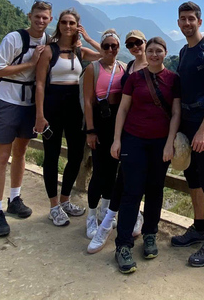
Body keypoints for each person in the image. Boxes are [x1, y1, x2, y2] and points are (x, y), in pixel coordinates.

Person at [111, 37, 181, 274]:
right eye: (150, 51)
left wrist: (170, 143)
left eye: (158, 51)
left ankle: (150, 234)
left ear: (165, 53)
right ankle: (122, 245)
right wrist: (117, 139)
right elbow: (122, 109)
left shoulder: (173, 80)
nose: (153, 54)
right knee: (131, 192)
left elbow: (175, 113)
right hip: (134, 140)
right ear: (145, 53)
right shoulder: (134, 78)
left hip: (160, 143)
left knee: (155, 190)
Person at [0, 0, 51, 237]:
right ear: (29, 16)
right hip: (7, 101)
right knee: (2, 156)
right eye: (37, 16)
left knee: (20, 153)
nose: (40, 21)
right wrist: (30, 63)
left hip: (29, 103)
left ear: (49, 20)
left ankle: (14, 198)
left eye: (45, 18)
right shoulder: (13, 39)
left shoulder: (47, 41)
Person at [170, 1, 204, 267]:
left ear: (199, 22)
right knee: (193, 177)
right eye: (183, 19)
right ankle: (199, 226)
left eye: (191, 18)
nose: (187, 23)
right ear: (178, 23)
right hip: (187, 122)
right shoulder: (183, 51)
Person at [34, 8, 102, 226]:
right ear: (59, 25)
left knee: (75, 156)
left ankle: (65, 200)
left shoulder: (79, 52)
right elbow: (40, 83)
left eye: (72, 23)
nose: (68, 26)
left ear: (77, 26)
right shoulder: (48, 51)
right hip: (52, 106)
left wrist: (88, 38)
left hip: (75, 106)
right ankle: (53, 206)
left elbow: (105, 54)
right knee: (52, 157)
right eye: (64, 22)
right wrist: (39, 115)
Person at [83, 30, 126, 252]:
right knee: (99, 171)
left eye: (114, 46)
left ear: (119, 48)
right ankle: (91, 214)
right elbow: (88, 101)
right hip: (99, 122)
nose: (111, 49)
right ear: (102, 47)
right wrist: (90, 130)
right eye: (107, 46)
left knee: (113, 169)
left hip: (116, 123)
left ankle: (105, 208)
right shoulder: (93, 68)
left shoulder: (123, 68)